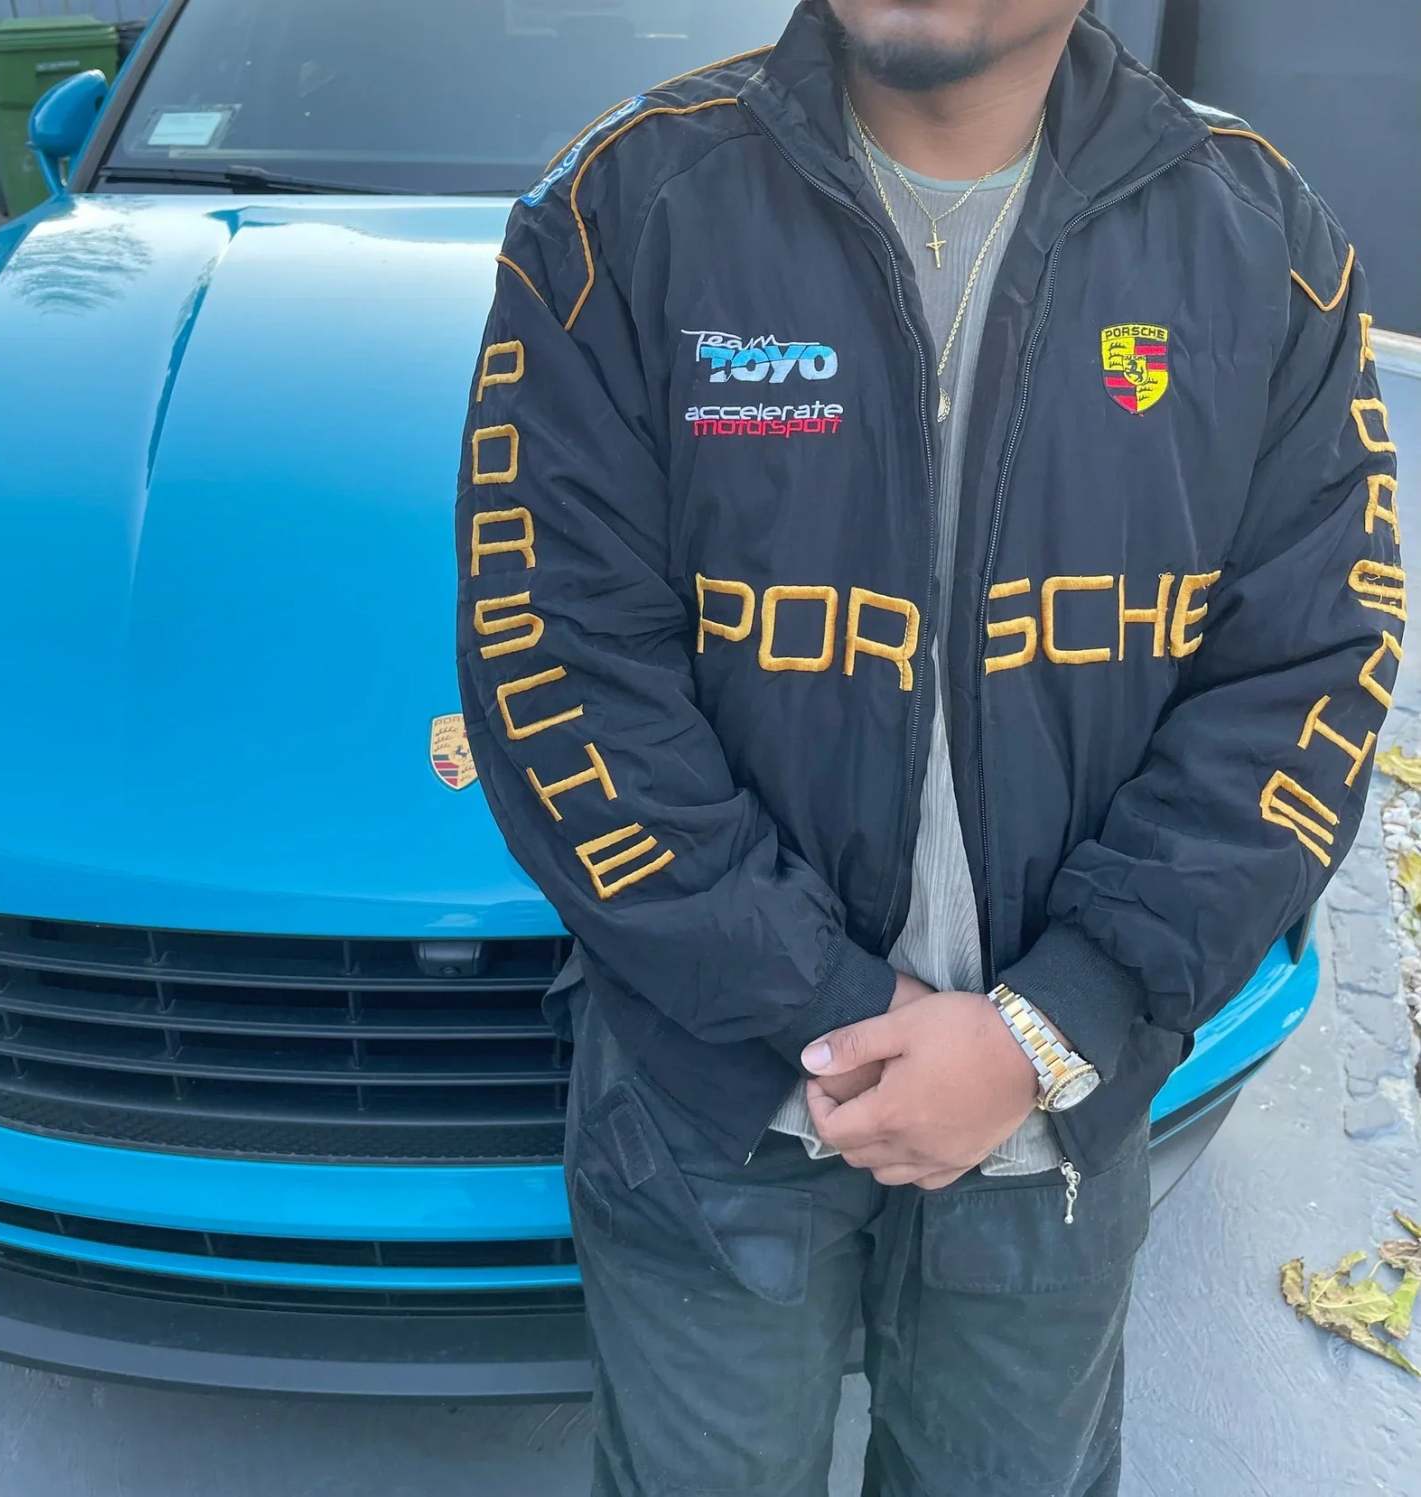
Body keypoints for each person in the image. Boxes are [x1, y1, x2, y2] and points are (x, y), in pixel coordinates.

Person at [455, 2, 1401, 1491]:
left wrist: (1048, 1025)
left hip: (1055, 1109)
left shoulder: (1259, 242)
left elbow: (1304, 677)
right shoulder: (619, 214)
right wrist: (827, 1005)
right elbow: (555, 661)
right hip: (713, 1101)